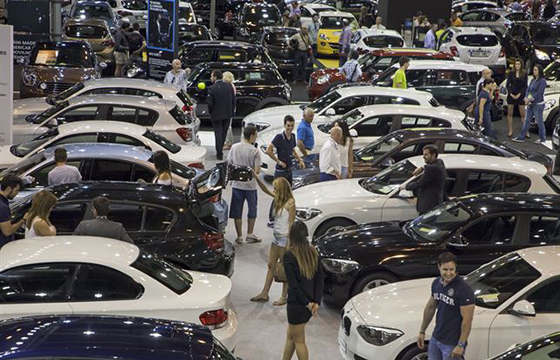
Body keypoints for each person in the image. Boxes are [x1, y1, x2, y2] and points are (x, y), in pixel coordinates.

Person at [417, 252, 475, 360]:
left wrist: (461, 344)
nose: (448, 273)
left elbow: (467, 320)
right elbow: (430, 307)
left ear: (455, 268)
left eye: (451, 269)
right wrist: (422, 331)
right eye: (445, 270)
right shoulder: (436, 283)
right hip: (436, 338)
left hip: (452, 344)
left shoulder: (463, 289)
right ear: (439, 267)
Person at [250, 176, 295, 306]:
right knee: (271, 265)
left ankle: (283, 296)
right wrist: (255, 176)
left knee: (283, 268)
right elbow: (265, 189)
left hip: (284, 238)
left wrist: (289, 243)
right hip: (276, 238)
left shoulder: (290, 203)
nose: (274, 190)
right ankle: (265, 293)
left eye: (276, 188)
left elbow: (292, 223)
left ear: (281, 189)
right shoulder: (278, 199)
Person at [281, 221, 323, 360]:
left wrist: (307, 303)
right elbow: (319, 279)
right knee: (291, 337)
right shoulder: (313, 251)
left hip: (297, 304)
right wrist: (316, 302)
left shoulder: (289, 255)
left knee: (299, 341)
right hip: (309, 302)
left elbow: (293, 285)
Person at [227, 125, 262, 244]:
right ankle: (250, 234)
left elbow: (229, 164)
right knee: (252, 210)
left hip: (237, 185)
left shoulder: (234, 147)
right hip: (250, 186)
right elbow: (257, 171)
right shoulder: (254, 151)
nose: (256, 137)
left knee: (237, 211)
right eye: (256, 135)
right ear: (251, 135)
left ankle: (239, 236)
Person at [405, 144, 446, 215]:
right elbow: (433, 167)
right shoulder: (440, 162)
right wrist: (422, 168)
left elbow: (419, 183)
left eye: (426, 155)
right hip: (435, 202)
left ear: (433, 155)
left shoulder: (431, 169)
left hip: (429, 205)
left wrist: (405, 186)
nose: (423, 157)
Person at [266, 115, 305, 185]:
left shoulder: (293, 136)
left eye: (292, 125)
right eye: (288, 125)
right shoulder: (279, 137)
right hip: (281, 171)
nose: (290, 128)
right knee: (279, 192)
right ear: (284, 125)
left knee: (288, 191)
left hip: (289, 170)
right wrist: (279, 162)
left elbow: (292, 150)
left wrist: (299, 159)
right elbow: (268, 151)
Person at [514, 64, 548, 143]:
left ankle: (542, 138)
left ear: (539, 71)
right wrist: (527, 97)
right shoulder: (533, 80)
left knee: (539, 122)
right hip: (530, 104)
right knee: (527, 121)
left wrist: (530, 99)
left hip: (538, 105)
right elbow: (529, 90)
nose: (534, 72)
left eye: (536, 70)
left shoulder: (542, 81)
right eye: (533, 70)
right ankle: (521, 137)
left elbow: (539, 93)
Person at [209, 70, 236, 160]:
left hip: (216, 114)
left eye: (211, 76)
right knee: (224, 133)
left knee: (218, 133)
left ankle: (219, 153)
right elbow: (233, 100)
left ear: (215, 77)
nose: (211, 78)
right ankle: (220, 150)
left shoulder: (212, 88)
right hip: (227, 114)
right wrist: (232, 112)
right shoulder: (229, 86)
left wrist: (211, 112)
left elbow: (210, 104)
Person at [0, 174, 26, 248]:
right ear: (9, 189)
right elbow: (7, 231)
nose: (17, 193)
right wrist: (23, 220)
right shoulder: (2, 207)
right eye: (16, 190)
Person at [506, 58, 528, 137]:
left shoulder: (524, 73)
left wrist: (519, 94)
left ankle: (526, 131)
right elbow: (507, 84)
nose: (517, 66)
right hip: (511, 95)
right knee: (510, 113)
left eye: (518, 64)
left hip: (520, 95)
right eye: (516, 64)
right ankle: (510, 130)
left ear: (521, 65)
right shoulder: (511, 73)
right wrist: (511, 93)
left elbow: (525, 86)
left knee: (523, 114)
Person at [222, 71, 236, 150]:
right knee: (228, 126)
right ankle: (229, 142)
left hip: (228, 108)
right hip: (230, 108)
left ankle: (228, 143)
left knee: (227, 127)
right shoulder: (232, 85)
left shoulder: (229, 86)